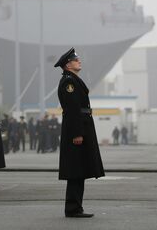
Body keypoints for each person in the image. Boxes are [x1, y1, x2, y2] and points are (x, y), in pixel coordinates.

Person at [54, 47, 105, 218]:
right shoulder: (69, 82)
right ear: (68, 65)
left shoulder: (73, 80)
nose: (79, 61)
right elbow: (73, 109)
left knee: (80, 169)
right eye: (76, 60)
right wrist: (77, 133)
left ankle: (76, 207)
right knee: (76, 170)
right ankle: (73, 208)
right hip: (76, 129)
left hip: (82, 126)